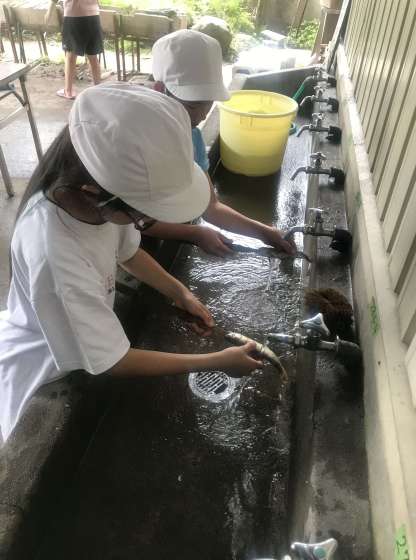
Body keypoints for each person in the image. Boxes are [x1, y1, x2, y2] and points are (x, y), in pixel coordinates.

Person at [0, 84, 262, 443]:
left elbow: (127, 253)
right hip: (45, 363)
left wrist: (180, 292)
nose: (147, 221)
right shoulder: (56, 255)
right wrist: (217, 360)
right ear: (94, 194)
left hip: (76, 330)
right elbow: (112, 361)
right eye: (143, 215)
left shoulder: (98, 201)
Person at [145, 29, 296, 258]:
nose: (202, 116)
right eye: (193, 106)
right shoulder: (135, 138)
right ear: (159, 90)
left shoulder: (192, 137)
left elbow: (211, 207)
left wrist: (264, 232)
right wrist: (193, 233)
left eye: (208, 105)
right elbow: (128, 219)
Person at [48, 0, 103, 99]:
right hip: (93, 15)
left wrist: (49, 12)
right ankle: (98, 90)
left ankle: (68, 91)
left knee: (70, 57)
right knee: (93, 56)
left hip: (73, 16)